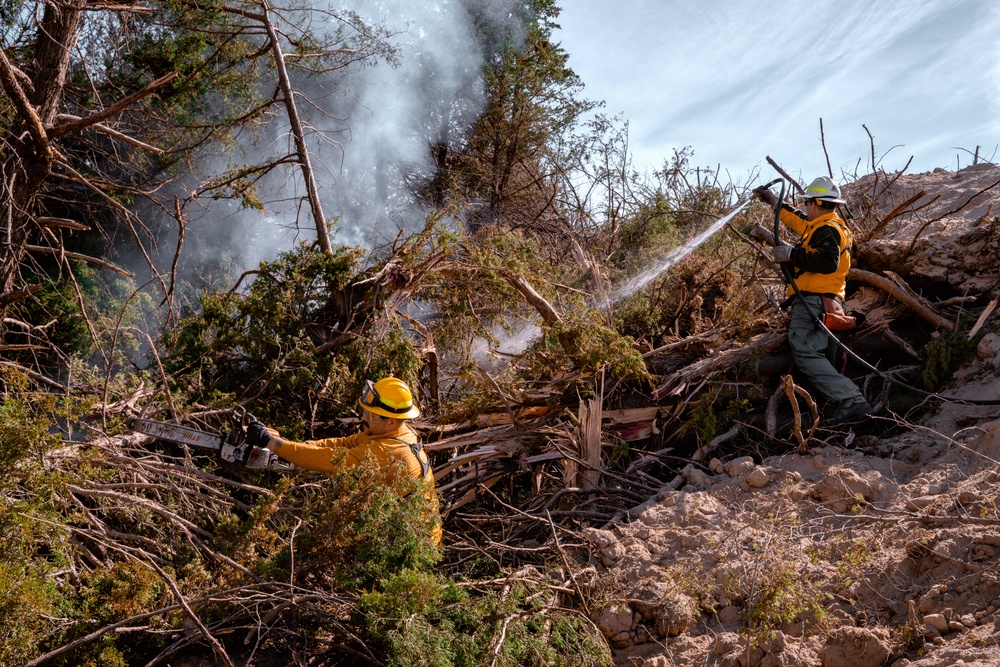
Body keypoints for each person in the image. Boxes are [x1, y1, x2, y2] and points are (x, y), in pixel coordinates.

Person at [245, 377, 441, 544]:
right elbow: (342, 444)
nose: (363, 417)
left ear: (390, 421)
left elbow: (328, 460)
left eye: (371, 415)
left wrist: (269, 442)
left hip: (415, 542)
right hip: (401, 529)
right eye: (365, 411)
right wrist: (288, 444)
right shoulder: (394, 432)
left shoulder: (387, 451)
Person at [753, 176, 873, 426]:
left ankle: (850, 399)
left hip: (815, 304)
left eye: (808, 203)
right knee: (823, 357)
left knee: (805, 351)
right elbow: (797, 221)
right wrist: (774, 203)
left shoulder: (827, 230)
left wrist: (791, 254)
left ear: (817, 203)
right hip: (828, 303)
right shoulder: (824, 226)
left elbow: (827, 262)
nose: (805, 207)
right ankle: (838, 411)